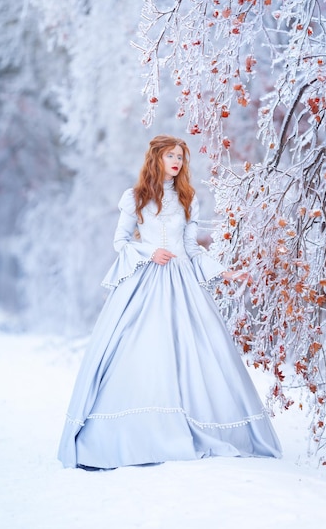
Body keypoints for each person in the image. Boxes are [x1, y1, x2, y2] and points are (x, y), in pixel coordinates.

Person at [58, 135, 282, 469]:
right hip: (145, 282)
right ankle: (129, 433)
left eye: (180, 157)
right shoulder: (135, 198)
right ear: (156, 158)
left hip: (182, 283)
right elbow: (120, 241)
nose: (177, 162)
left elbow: (191, 249)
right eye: (170, 156)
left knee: (194, 350)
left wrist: (225, 272)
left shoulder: (187, 199)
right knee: (139, 348)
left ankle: (196, 423)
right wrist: (150, 252)